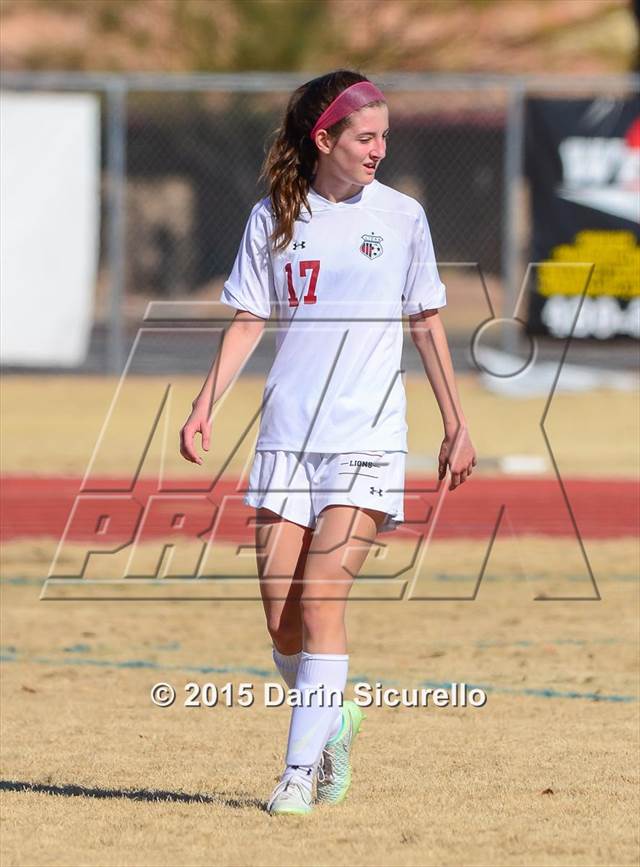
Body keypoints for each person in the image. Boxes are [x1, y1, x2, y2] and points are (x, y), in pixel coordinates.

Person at [180, 69, 477, 816]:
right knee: (282, 619)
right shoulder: (273, 216)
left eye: (384, 135)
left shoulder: (403, 216)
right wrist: (203, 403)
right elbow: (249, 320)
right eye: (366, 136)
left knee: (321, 600)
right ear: (325, 140)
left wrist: (455, 420)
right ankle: (335, 713)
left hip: (368, 438)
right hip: (287, 437)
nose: (380, 148)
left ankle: (294, 774)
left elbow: (426, 319)